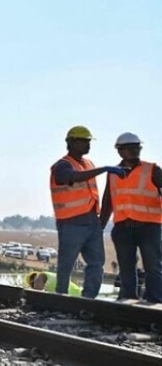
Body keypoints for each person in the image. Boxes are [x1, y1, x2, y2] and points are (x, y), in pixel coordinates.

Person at [50, 126, 127, 298]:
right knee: (67, 264)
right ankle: (60, 297)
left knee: (96, 262)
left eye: (89, 141)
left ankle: (88, 298)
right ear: (71, 142)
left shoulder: (88, 164)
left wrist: (100, 221)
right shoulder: (62, 166)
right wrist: (105, 168)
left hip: (92, 221)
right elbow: (72, 177)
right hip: (71, 222)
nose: (88, 145)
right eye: (84, 141)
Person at [99, 132, 162, 303]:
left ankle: (155, 300)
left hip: (149, 227)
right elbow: (107, 202)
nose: (134, 151)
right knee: (126, 267)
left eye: (137, 148)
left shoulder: (153, 170)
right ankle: (127, 299)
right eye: (129, 148)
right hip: (123, 227)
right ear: (119, 151)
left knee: (153, 266)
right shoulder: (113, 173)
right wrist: (99, 228)